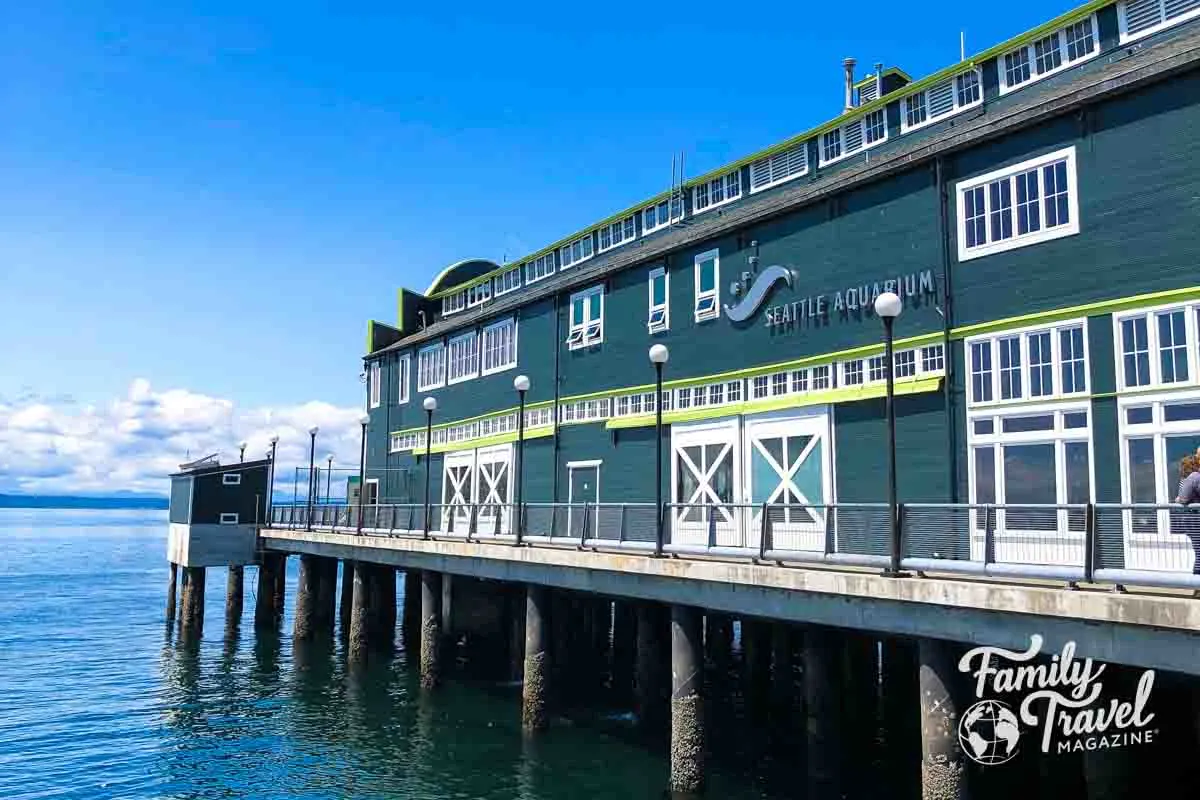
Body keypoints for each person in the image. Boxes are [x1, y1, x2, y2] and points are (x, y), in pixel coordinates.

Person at [1175, 454, 1200, 574]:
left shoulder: (1185, 479)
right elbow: (1184, 499)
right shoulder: (1194, 477)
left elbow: (1180, 498)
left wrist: (1179, 499)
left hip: (1190, 519)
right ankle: (1197, 585)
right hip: (1195, 519)